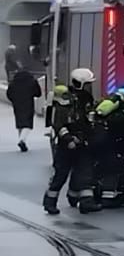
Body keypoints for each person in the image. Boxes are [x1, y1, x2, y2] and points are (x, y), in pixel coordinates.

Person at [44, 69, 99, 215]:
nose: (89, 87)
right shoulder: (65, 98)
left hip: (82, 141)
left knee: (85, 172)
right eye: (87, 84)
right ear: (80, 83)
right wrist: (68, 139)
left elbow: (86, 120)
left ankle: (86, 202)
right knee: (61, 173)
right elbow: (58, 123)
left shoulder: (86, 98)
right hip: (67, 144)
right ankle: (49, 201)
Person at [93, 88, 124, 208]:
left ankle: (97, 194)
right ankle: (111, 197)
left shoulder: (104, 112)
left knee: (101, 168)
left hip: (100, 145)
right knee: (116, 168)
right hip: (114, 147)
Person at [9, 64, 40, 152]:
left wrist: (14, 99)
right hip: (28, 103)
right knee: (28, 124)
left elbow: (9, 93)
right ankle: (22, 140)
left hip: (17, 104)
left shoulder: (14, 82)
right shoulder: (32, 81)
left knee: (20, 123)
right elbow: (38, 93)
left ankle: (22, 141)